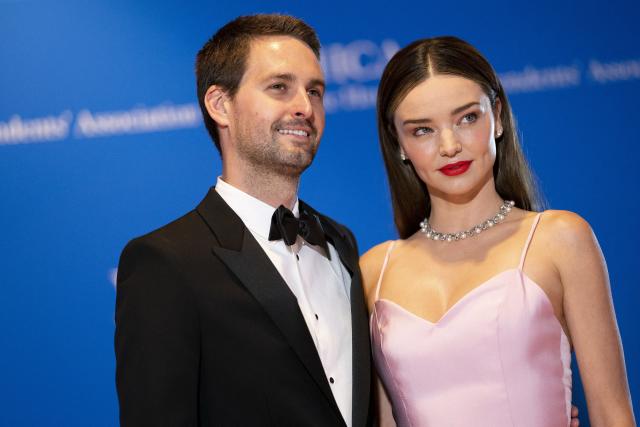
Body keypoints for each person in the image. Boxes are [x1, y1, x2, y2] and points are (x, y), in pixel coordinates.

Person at [360, 36, 635, 426]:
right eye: (423, 130)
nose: (450, 145)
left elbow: (612, 415)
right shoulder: (374, 271)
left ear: (498, 117)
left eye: (467, 118)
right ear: (398, 144)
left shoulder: (559, 239)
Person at [114, 14, 373, 427]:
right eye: (279, 87)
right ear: (220, 105)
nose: (305, 107)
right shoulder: (165, 262)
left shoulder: (342, 243)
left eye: (315, 91)